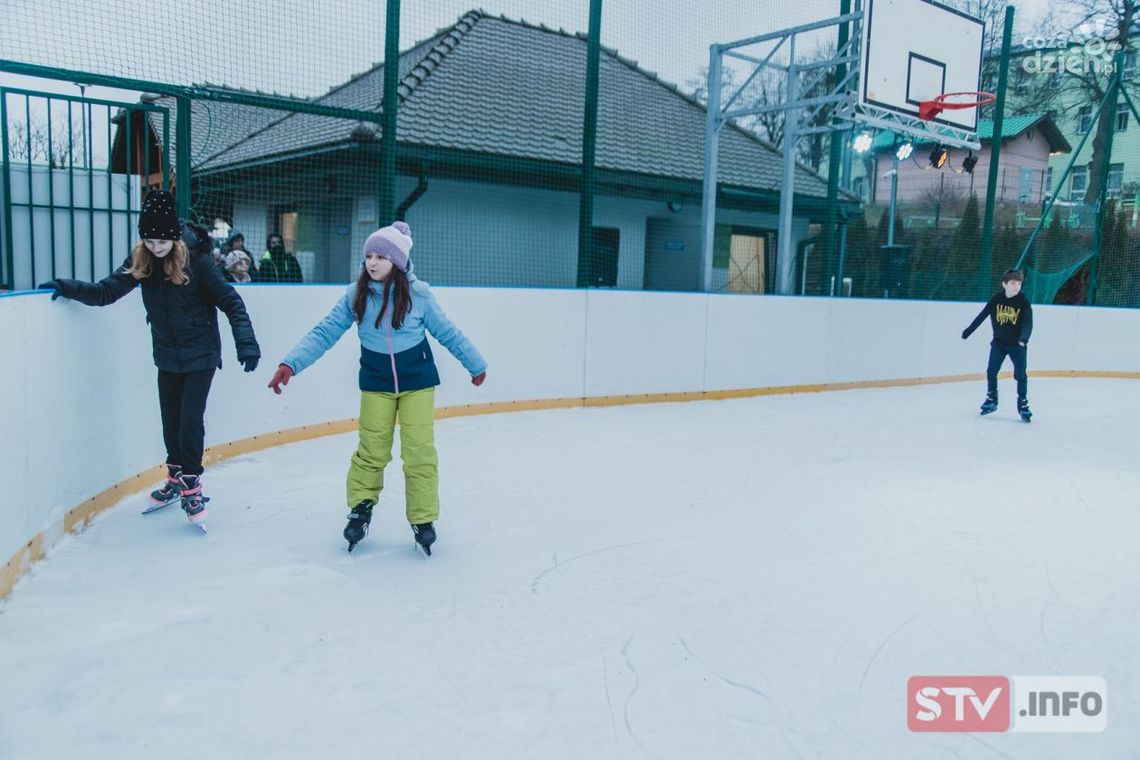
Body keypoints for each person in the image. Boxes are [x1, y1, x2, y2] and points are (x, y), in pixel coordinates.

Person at [37, 189, 262, 524]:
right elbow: (106, 292)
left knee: (189, 423)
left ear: (173, 237)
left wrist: (246, 343)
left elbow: (231, 302)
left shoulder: (196, 261)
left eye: (162, 242)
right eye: (149, 241)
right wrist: (68, 286)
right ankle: (175, 476)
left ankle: (191, 483)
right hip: (167, 356)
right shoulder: (140, 260)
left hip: (201, 354)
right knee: (170, 422)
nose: (156, 248)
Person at [267, 221, 486, 554]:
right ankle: (360, 507)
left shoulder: (418, 295)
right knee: (371, 450)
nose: (372, 262)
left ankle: (423, 518)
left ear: (396, 261)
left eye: (381, 256)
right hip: (376, 382)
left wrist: (475, 363)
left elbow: (449, 333)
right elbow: (324, 332)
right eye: (369, 255)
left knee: (419, 453)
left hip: (418, 384)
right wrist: (290, 364)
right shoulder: (356, 295)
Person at [962, 268, 1034, 421]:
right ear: (1004, 284)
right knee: (991, 371)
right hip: (999, 344)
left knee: (1020, 375)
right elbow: (982, 315)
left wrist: (1024, 338)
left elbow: (1028, 323)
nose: (1016, 287)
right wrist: (969, 331)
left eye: (1019, 284)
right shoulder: (996, 300)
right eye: (1013, 283)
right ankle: (992, 399)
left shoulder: (1024, 302)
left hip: (1018, 345)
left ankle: (1023, 403)